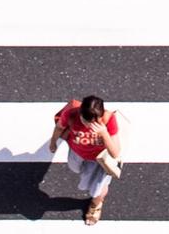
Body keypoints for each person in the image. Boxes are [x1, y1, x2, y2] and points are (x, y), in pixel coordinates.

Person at [48, 96, 122, 225]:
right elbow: (60, 127)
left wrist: (104, 133)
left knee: (98, 187)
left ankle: (96, 203)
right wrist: (53, 142)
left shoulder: (108, 119)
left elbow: (115, 153)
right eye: (85, 120)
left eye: (94, 122)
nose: (88, 125)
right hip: (77, 153)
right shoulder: (71, 114)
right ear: (80, 112)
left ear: (101, 115)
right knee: (75, 169)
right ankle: (96, 196)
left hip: (99, 161)